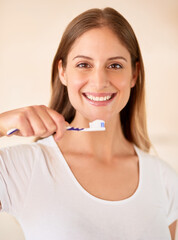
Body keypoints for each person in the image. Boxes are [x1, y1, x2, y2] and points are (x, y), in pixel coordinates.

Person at [0, 7, 177, 240]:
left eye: (115, 65)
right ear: (62, 72)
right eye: (84, 64)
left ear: (134, 75)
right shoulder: (23, 167)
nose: (99, 81)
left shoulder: (164, 179)